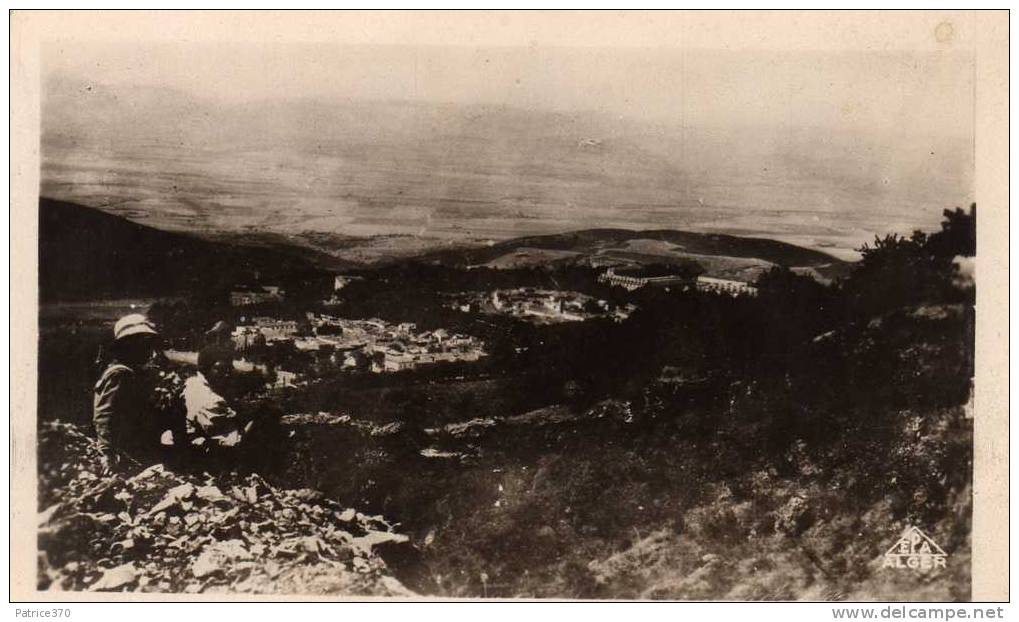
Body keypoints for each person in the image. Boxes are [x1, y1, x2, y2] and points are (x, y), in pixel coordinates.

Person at [93, 314, 182, 472]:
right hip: (129, 450)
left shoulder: (133, 372)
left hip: (137, 445)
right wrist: (107, 453)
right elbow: (104, 415)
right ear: (127, 345)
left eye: (148, 344)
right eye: (142, 344)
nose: (148, 350)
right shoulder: (120, 374)